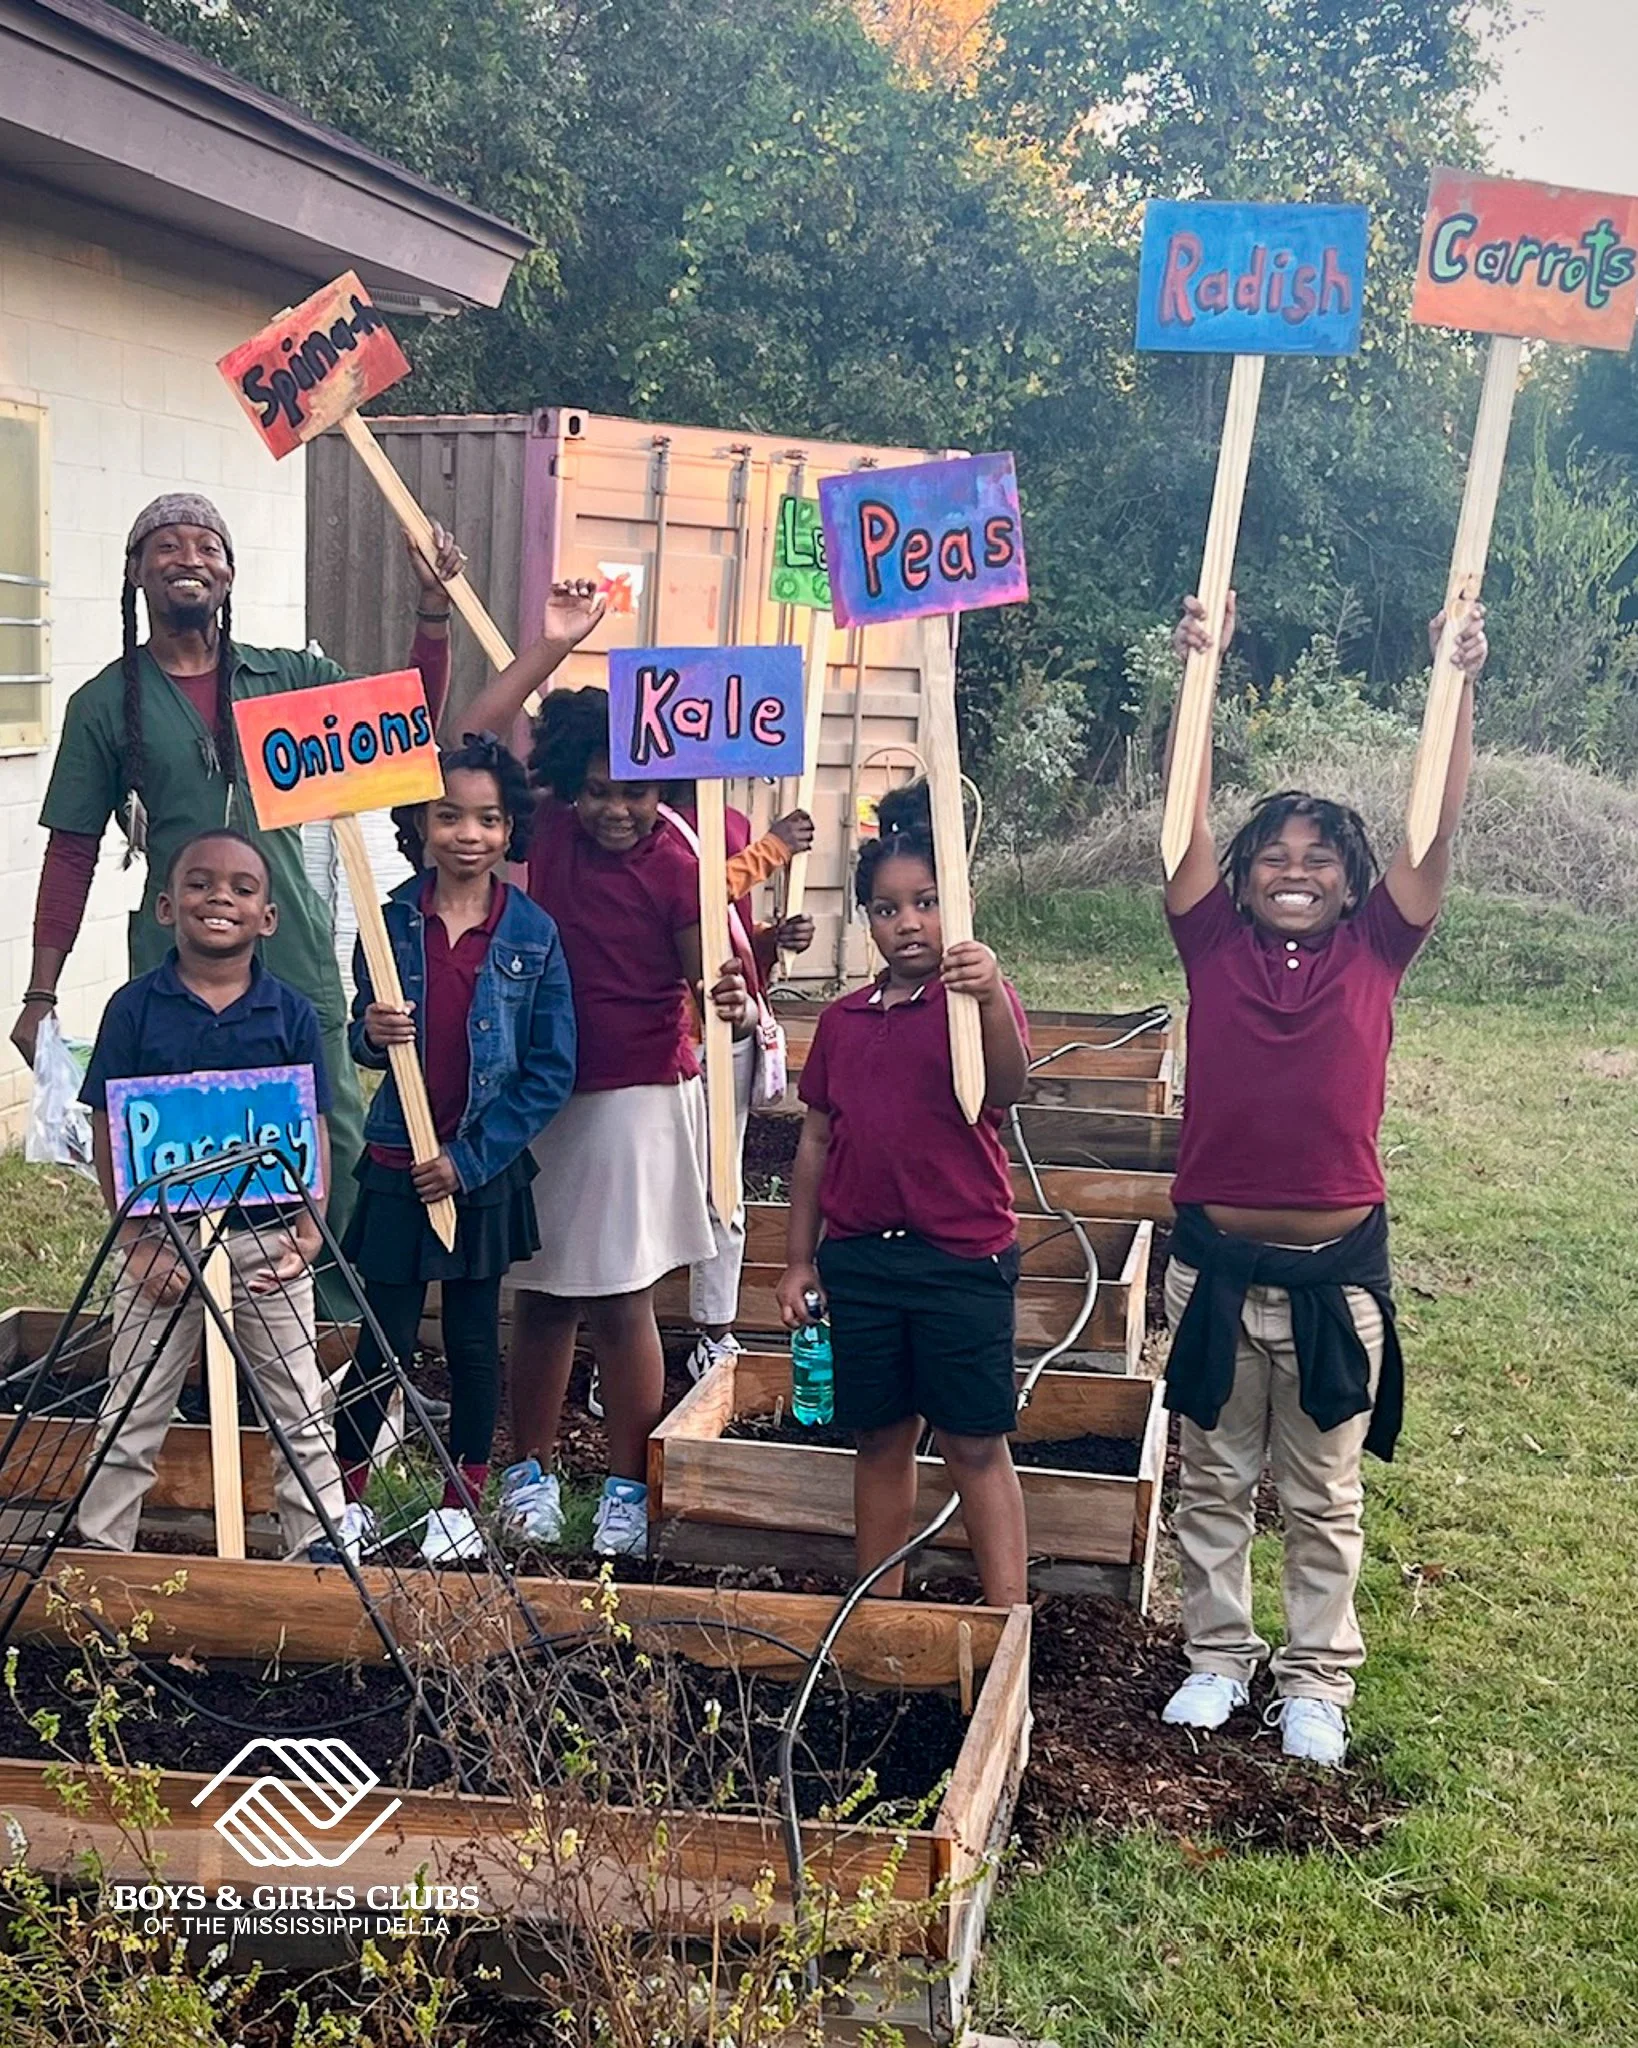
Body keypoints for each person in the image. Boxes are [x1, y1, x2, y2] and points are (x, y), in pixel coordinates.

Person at [1159, 591, 1488, 1766]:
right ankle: (1216, 1657)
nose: (1294, 872)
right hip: (1212, 1266)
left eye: (1319, 859)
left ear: (1350, 883)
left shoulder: (1377, 947)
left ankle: (1315, 1681)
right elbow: (1180, 826)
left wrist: (1456, 693)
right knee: (1211, 1478)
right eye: (1273, 858)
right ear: (1244, 879)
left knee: (1322, 1492)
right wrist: (1201, 674)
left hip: (1334, 1280)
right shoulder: (1210, 941)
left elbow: (1433, 838)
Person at [11, 492, 467, 1262]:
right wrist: (40, 995)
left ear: (229, 573)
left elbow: (404, 722)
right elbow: (70, 853)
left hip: (290, 957)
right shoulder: (104, 705)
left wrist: (431, 611)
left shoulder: (286, 678)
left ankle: (323, 1338)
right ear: (135, 572)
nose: (189, 558)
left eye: (207, 547)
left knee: (330, 1155)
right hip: (174, 972)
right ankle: (199, 1351)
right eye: (167, 546)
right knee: (181, 1163)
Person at [775, 783, 1031, 1607]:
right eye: (886, 910)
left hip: (961, 1258)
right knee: (880, 1435)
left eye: (926, 903)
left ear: (957, 905)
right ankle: (877, 1607)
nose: (908, 922)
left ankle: (1005, 1619)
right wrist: (797, 1260)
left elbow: (1008, 1086)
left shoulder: (968, 1005)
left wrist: (988, 992)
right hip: (860, 1262)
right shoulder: (846, 1020)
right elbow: (816, 1138)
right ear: (866, 921)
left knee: (973, 1440)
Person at [332, 734, 577, 1565]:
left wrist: (471, 1160)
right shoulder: (388, 915)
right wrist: (371, 1030)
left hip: (480, 1171)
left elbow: (550, 1070)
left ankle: (462, 1501)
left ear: (511, 830)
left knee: (473, 1340)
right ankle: (347, 1496)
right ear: (421, 823)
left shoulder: (534, 933)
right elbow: (366, 1028)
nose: (467, 834)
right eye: (449, 816)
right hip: (401, 1161)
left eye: (488, 819)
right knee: (383, 1338)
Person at [76, 829, 346, 1563]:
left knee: (300, 1406)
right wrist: (132, 1243)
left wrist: (309, 1232)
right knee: (131, 1408)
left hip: (268, 1245)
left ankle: (320, 1552)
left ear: (269, 918)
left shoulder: (290, 1015)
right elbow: (109, 1127)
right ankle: (100, 1555)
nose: (218, 896)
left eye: (241, 887)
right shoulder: (133, 1010)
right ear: (165, 906)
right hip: (160, 1249)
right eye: (199, 883)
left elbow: (310, 1124)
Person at [656, 783, 817, 1388]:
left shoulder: (726, 817)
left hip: (728, 1031)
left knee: (724, 1185)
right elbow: (688, 896)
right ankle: (624, 1343)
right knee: (661, 1189)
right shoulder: (645, 819)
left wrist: (774, 941)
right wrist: (770, 851)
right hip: (668, 1032)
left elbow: (729, 929)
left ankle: (714, 1333)